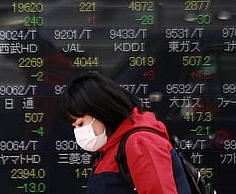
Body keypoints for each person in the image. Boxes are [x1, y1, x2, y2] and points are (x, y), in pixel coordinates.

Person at [60, 71, 191, 194]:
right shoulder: (111, 146)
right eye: (74, 126)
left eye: (81, 124)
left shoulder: (141, 142)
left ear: (99, 109)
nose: (79, 132)